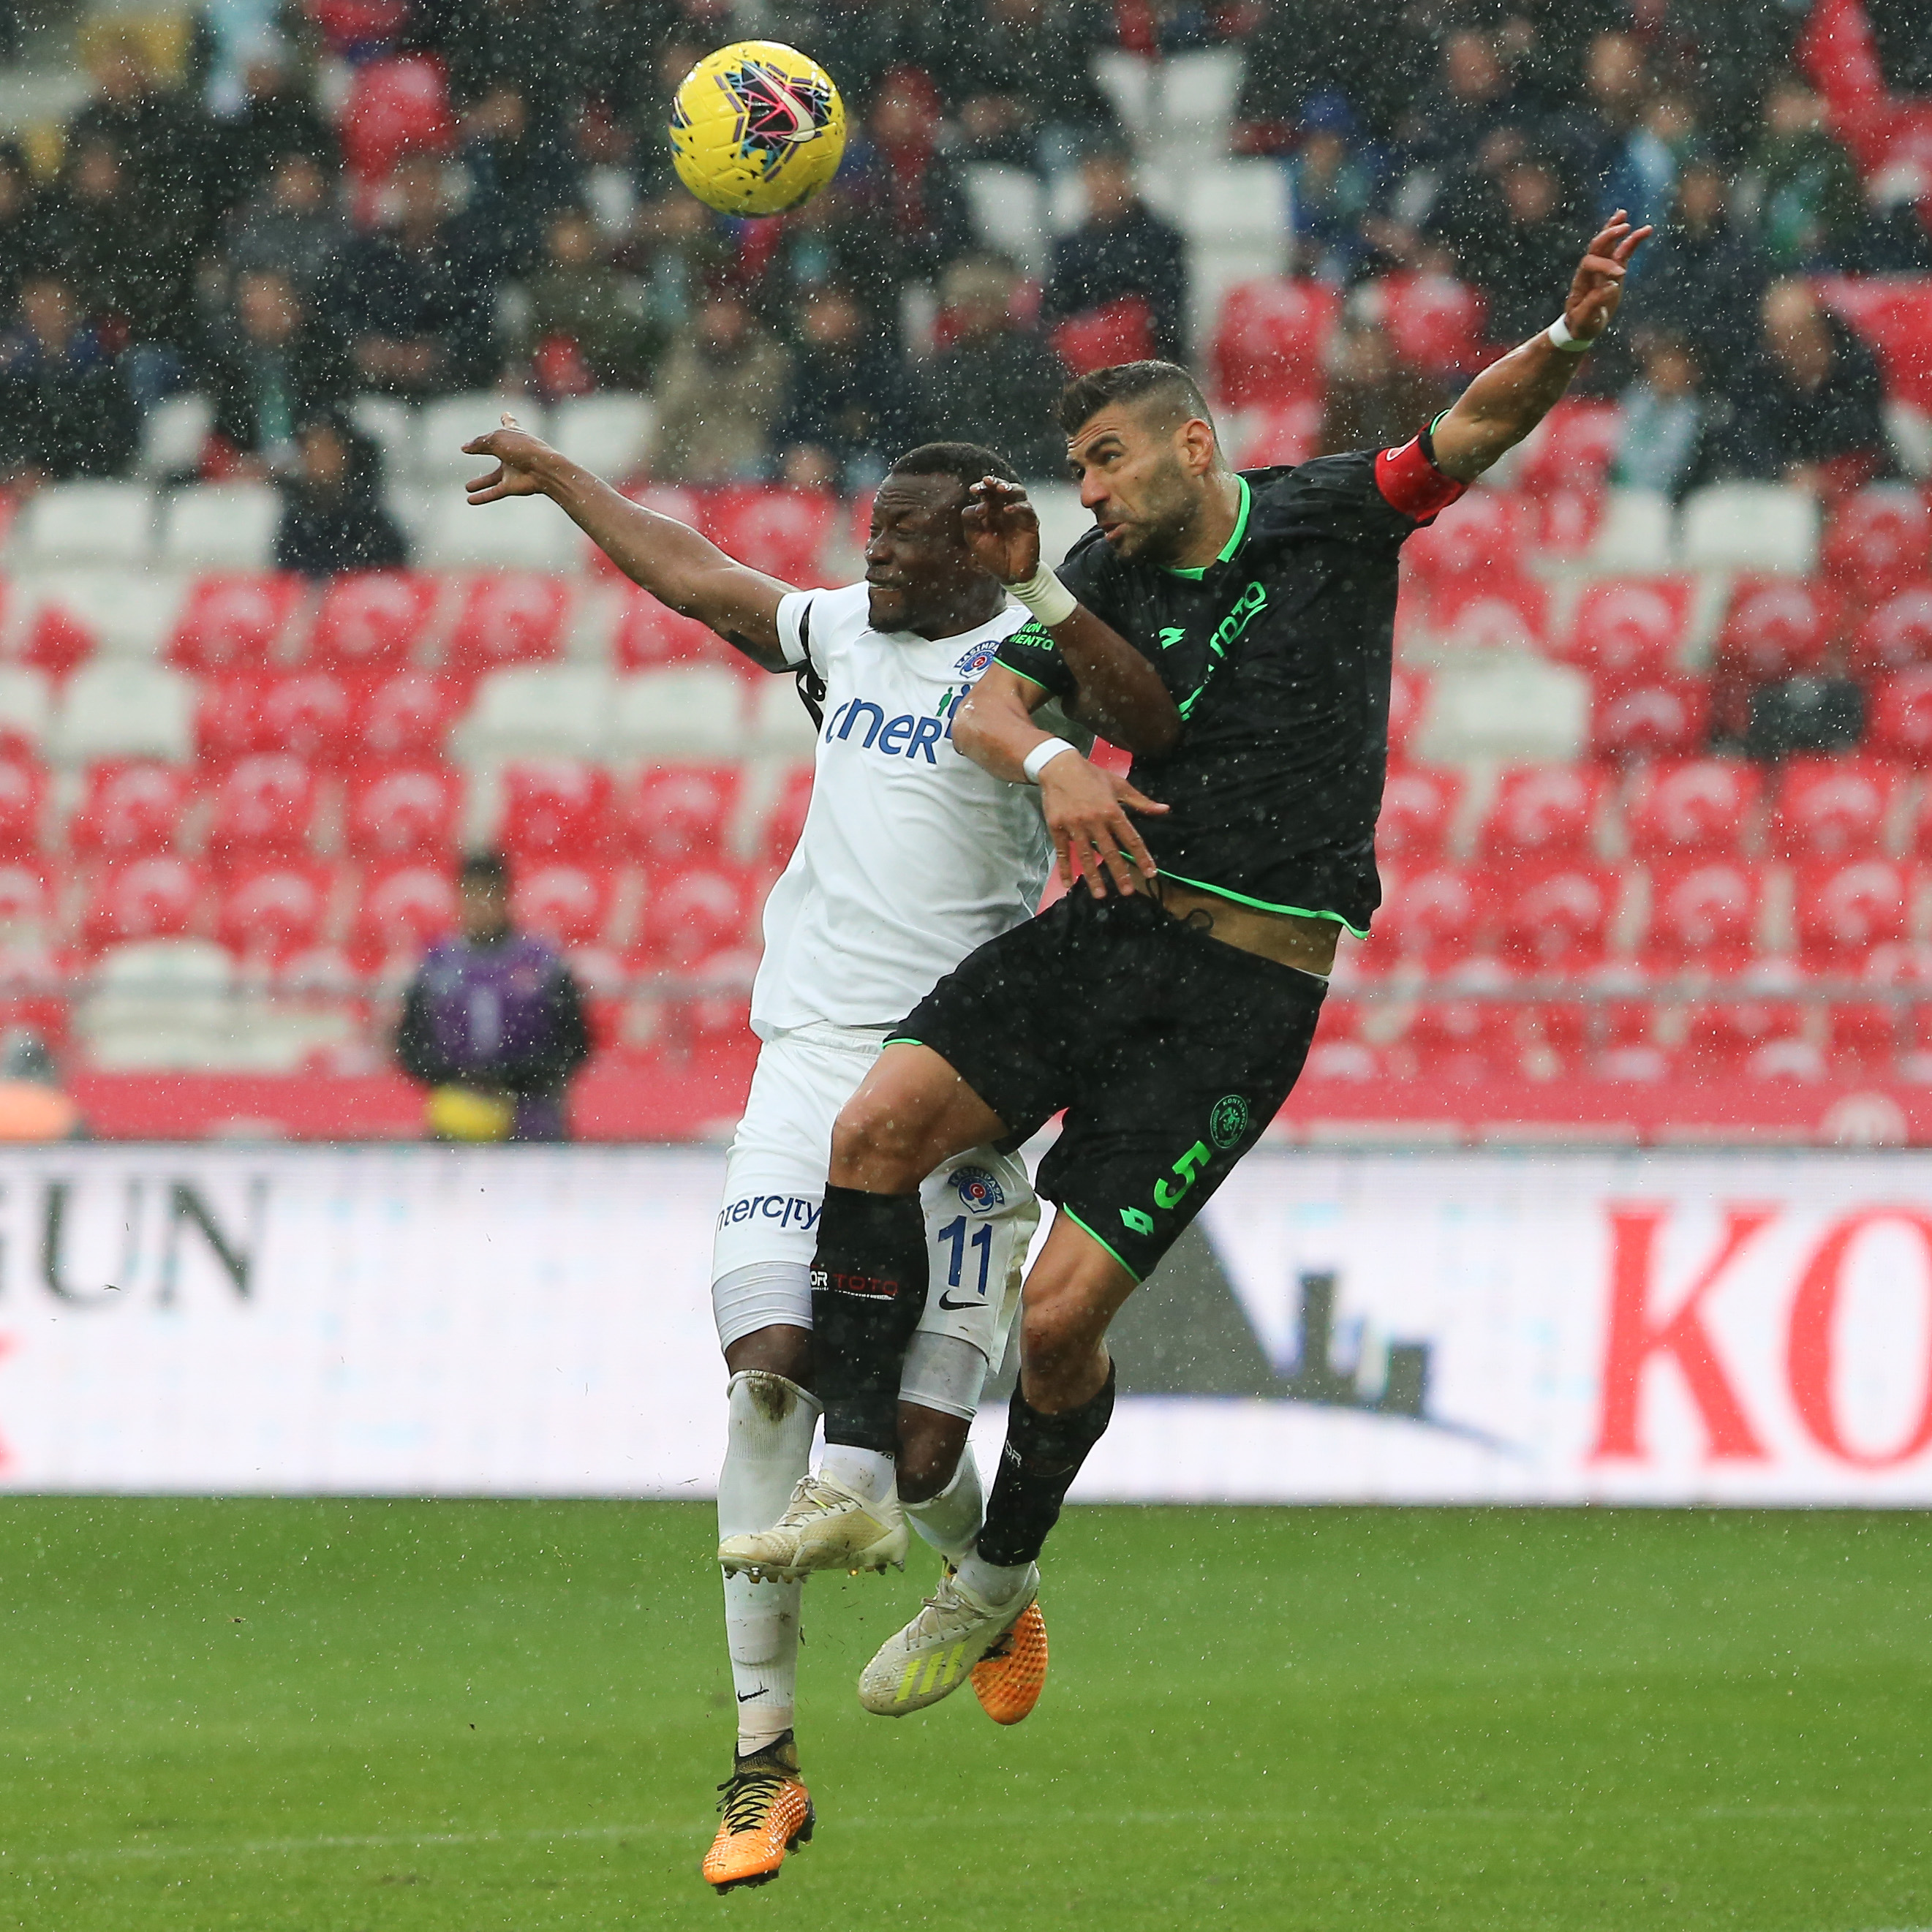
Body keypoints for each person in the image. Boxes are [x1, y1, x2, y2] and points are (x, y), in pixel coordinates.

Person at [725, 213, 1650, 1711]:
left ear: (1191, 444)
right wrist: (1050, 762)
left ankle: (997, 1579)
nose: (1086, 491)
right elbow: (991, 709)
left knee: (1056, 1322)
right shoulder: (1093, 572)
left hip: (1243, 991)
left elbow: (1467, 433)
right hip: (1111, 929)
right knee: (871, 1129)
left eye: (1104, 461)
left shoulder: (1324, 516)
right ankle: (860, 1479)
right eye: (1078, 468)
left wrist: (1566, 336)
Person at [458, 418, 1177, 1893]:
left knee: (919, 1454)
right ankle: (762, 1764)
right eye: (870, 534)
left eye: (903, 537)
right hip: (804, 1067)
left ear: (972, 543)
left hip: (958, 1078)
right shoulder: (842, 634)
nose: (873, 556)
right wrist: (571, 481)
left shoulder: (1025, 663)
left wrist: (1045, 611)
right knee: (767, 1373)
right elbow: (698, 577)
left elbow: (1139, 711)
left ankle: (991, 1578)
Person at [395, 850, 591, 1142]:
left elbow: (575, 1045)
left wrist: (513, 1078)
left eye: (488, 895)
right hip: (458, 1118)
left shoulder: (542, 964)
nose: (480, 906)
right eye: (471, 895)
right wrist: (458, 1077)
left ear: (506, 897)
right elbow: (410, 1046)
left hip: (534, 1118)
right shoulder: (436, 966)